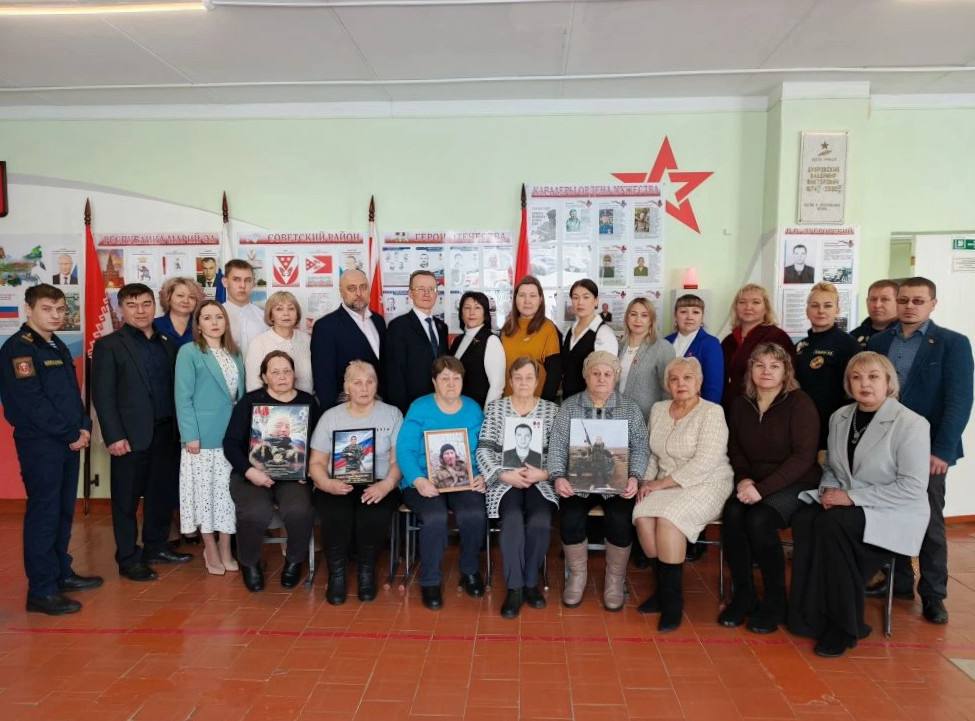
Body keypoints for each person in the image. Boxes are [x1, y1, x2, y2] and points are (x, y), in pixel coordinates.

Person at [788, 352, 930, 657]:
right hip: (849, 506)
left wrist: (851, 498)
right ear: (848, 383)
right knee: (805, 519)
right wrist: (829, 491)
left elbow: (912, 487)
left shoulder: (911, 424)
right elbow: (833, 468)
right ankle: (808, 615)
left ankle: (844, 627)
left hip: (893, 512)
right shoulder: (840, 417)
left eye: (873, 377)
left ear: (889, 382)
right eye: (856, 377)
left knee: (832, 525)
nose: (864, 384)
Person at [867, 277, 974, 624]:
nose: (909, 306)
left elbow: (959, 401)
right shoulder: (879, 341)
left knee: (928, 521)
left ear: (932, 304)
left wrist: (942, 450)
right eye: (904, 300)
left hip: (929, 450)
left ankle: (933, 593)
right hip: (885, 444)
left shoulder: (952, 343)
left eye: (918, 301)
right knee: (889, 513)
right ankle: (898, 583)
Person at [0, 284, 99, 615]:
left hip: (68, 439)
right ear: (29, 310)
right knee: (44, 514)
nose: (55, 315)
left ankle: (60, 574)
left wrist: (83, 426)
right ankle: (41, 590)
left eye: (60, 309)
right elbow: (32, 404)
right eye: (47, 309)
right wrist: (70, 433)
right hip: (41, 443)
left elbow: (71, 393)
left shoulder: (55, 344)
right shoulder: (19, 349)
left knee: (63, 511)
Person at [92, 283, 192, 582]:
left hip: (166, 433)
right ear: (121, 309)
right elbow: (103, 396)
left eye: (146, 304)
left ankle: (156, 547)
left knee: (160, 495)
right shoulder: (109, 345)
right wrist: (113, 436)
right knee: (126, 500)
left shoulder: (167, 343)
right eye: (132, 305)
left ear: (155, 306)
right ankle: (127, 558)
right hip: (130, 437)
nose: (140, 311)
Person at [720, 342, 821, 633]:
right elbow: (735, 449)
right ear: (750, 369)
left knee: (759, 519)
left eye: (774, 366)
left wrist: (762, 490)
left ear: (785, 371)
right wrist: (743, 479)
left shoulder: (800, 403)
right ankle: (744, 595)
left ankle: (776, 601)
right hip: (753, 482)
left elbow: (803, 458)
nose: (766, 371)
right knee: (733, 513)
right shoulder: (741, 404)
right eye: (760, 365)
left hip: (796, 482)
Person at [632, 357, 733, 631]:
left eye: (687, 378)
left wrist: (660, 484)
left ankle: (673, 602)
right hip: (664, 482)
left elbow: (705, 462)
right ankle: (662, 590)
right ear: (667, 384)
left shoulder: (712, 412)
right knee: (642, 515)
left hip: (707, 483)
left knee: (669, 520)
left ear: (699, 382)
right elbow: (652, 454)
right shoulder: (658, 409)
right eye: (674, 379)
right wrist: (646, 482)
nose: (681, 384)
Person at [547, 351, 649, 611]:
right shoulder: (570, 406)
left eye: (607, 374)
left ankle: (614, 579)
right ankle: (577, 576)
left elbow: (640, 446)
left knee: (620, 519)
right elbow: (557, 444)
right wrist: (558, 476)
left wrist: (635, 477)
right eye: (596, 373)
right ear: (586, 376)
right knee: (570, 517)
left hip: (616, 483)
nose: (601, 378)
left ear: (615, 377)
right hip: (577, 482)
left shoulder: (630, 408)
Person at [223, 351, 320, 592]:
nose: (282, 376)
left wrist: (307, 470)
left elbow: (319, 444)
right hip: (253, 474)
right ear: (265, 377)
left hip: (294, 477)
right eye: (275, 372)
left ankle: (294, 560)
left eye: (287, 371)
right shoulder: (250, 402)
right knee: (254, 512)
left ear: (294, 375)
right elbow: (230, 444)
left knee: (299, 510)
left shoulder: (308, 402)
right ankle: (250, 562)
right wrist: (249, 471)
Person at [396, 356, 486, 610]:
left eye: (456, 378)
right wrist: (418, 479)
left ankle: (470, 570)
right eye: (445, 378)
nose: (451, 383)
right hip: (423, 480)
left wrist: (482, 475)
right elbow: (404, 449)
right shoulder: (420, 407)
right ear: (434, 382)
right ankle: (430, 580)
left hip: (464, 480)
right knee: (435, 517)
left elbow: (484, 448)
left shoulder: (473, 409)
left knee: (474, 513)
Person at [309, 360, 402, 605]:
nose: (364, 388)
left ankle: (366, 572)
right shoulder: (331, 417)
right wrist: (326, 484)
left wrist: (386, 485)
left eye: (370, 382)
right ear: (346, 387)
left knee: (372, 514)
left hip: (379, 482)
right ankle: (337, 574)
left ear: (377, 385)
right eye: (357, 383)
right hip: (336, 484)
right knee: (336, 514)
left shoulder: (392, 414)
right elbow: (316, 463)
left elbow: (397, 461)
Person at [477, 357, 559, 618]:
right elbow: (484, 449)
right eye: (518, 378)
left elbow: (559, 452)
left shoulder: (551, 410)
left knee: (540, 521)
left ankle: (531, 582)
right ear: (510, 381)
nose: (524, 383)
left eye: (529, 378)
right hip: (506, 481)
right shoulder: (496, 408)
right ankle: (514, 588)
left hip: (540, 481)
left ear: (537, 381)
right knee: (511, 520)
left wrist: (543, 473)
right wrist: (503, 474)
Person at [174, 300, 245, 576]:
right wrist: (190, 435)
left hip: (231, 437)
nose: (214, 322)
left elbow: (241, 396)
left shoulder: (234, 352)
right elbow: (183, 398)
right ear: (198, 325)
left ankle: (226, 547)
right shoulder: (189, 352)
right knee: (204, 496)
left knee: (227, 497)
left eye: (219, 317)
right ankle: (210, 548)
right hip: (202, 439)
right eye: (207, 317)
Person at [795, 282, 860, 449]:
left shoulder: (848, 345)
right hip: (801, 422)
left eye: (828, 305)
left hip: (833, 426)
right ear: (807, 310)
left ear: (837, 310)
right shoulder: (801, 345)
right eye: (815, 305)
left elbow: (854, 391)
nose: (821, 311)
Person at [311, 268, 385, 409]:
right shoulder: (325, 326)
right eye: (352, 288)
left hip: (380, 408)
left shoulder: (378, 321)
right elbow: (324, 379)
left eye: (363, 287)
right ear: (341, 292)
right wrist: (333, 414)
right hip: (347, 410)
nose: (359, 293)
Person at [721, 283, 795, 410]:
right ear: (736, 307)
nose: (748, 307)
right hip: (732, 405)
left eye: (756, 302)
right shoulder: (728, 341)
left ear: (766, 308)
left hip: (765, 406)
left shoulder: (777, 337)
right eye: (742, 302)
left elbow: (788, 377)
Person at [384, 270, 449, 414]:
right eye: (420, 289)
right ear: (410, 293)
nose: (427, 293)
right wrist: (402, 411)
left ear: (436, 294)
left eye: (431, 289)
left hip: (441, 404)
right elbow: (395, 375)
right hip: (412, 406)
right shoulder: (398, 327)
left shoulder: (442, 327)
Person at [500, 275, 562, 402]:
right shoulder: (506, 328)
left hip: (536, 403)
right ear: (515, 299)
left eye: (532, 296)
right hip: (507, 401)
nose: (527, 301)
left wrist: (544, 405)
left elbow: (554, 374)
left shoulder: (548, 328)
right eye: (522, 295)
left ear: (540, 300)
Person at [618, 296, 675, 421]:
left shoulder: (662, 347)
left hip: (647, 418)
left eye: (644, 315)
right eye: (633, 314)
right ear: (627, 318)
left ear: (651, 320)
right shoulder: (619, 346)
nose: (638, 320)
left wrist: (662, 419)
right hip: (618, 416)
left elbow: (669, 389)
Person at [560, 279, 619, 400]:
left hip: (591, 403)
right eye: (575, 297)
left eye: (586, 297)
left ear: (596, 301)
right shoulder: (570, 330)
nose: (580, 302)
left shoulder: (603, 333)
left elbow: (607, 377)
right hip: (568, 401)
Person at [245, 291, 312, 394]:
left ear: (297, 314)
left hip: (307, 401)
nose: (286, 313)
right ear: (271, 315)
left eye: (291, 308)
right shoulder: (258, 343)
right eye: (279, 309)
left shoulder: (307, 340)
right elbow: (254, 385)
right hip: (270, 403)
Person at [449, 291, 505, 407]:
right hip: (456, 408)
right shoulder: (457, 340)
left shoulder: (491, 340)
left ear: (485, 313)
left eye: (477, 308)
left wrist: (487, 415)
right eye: (467, 308)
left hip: (478, 410)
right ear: (461, 313)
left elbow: (497, 386)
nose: (472, 312)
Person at [221, 260, 265, 357]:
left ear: (253, 283)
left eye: (248, 280)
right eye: (236, 279)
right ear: (225, 282)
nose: (242, 286)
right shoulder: (216, 316)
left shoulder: (263, 317)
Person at [155, 277, 205, 349]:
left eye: (191, 297)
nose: (186, 301)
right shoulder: (154, 325)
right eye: (180, 296)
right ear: (168, 297)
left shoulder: (203, 326)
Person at [851, 279, 899, 349]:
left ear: (898, 302)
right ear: (867, 302)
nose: (877, 305)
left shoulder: (908, 335)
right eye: (873, 299)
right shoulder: (853, 337)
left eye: (885, 299)